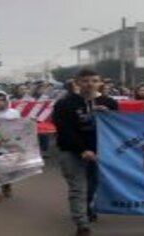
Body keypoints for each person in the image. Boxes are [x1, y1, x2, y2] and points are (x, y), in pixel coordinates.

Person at [52, 69, 118, 236]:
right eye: (85, 80)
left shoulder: (110, 102)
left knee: (92, 186)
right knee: (77, 188)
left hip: (100, 152)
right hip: (72, 151)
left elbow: (116, 128)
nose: (90, 84)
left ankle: (87, 208)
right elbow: (64, 130)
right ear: (77, 83)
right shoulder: (64, 103)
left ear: (100, 83)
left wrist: (108, 115)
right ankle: (82, 225)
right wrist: (82, 150)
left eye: (94, 80)